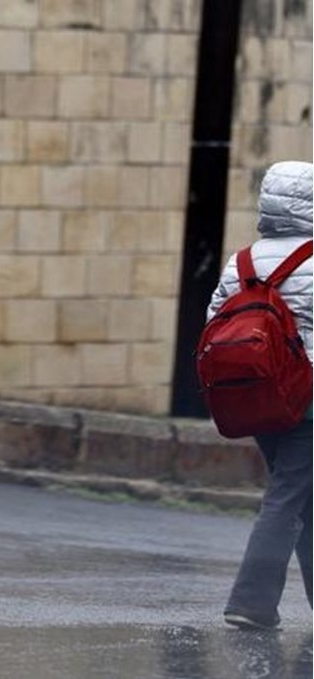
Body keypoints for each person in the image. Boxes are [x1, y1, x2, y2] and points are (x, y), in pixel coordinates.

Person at [206, 160, 313, 629]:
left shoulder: (242, 261)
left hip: (258, 398)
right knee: (288, 497)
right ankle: (250, 602)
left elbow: (213, 323)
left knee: (303, 497)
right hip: (308, 401)